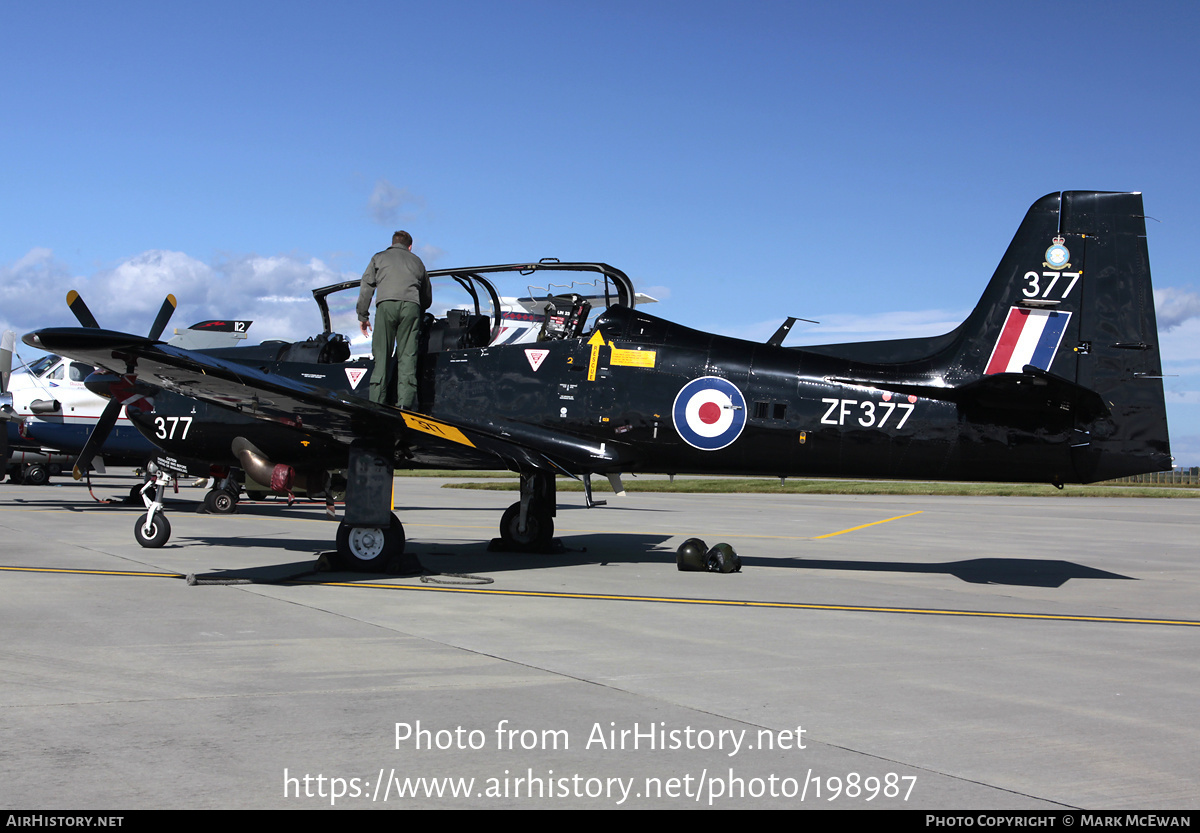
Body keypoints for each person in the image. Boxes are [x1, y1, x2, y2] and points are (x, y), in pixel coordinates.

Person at [357, 230, 432, 409]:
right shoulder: (417, 261)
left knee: (381, 356)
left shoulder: (379, 257)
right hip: (411, 307)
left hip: (386, 305)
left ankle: (377, 404)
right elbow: (427, 297)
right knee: (408, 356)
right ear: (410, 246)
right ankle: (405, 406)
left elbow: (366, 285)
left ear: (392, 243)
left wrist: (363, 315)